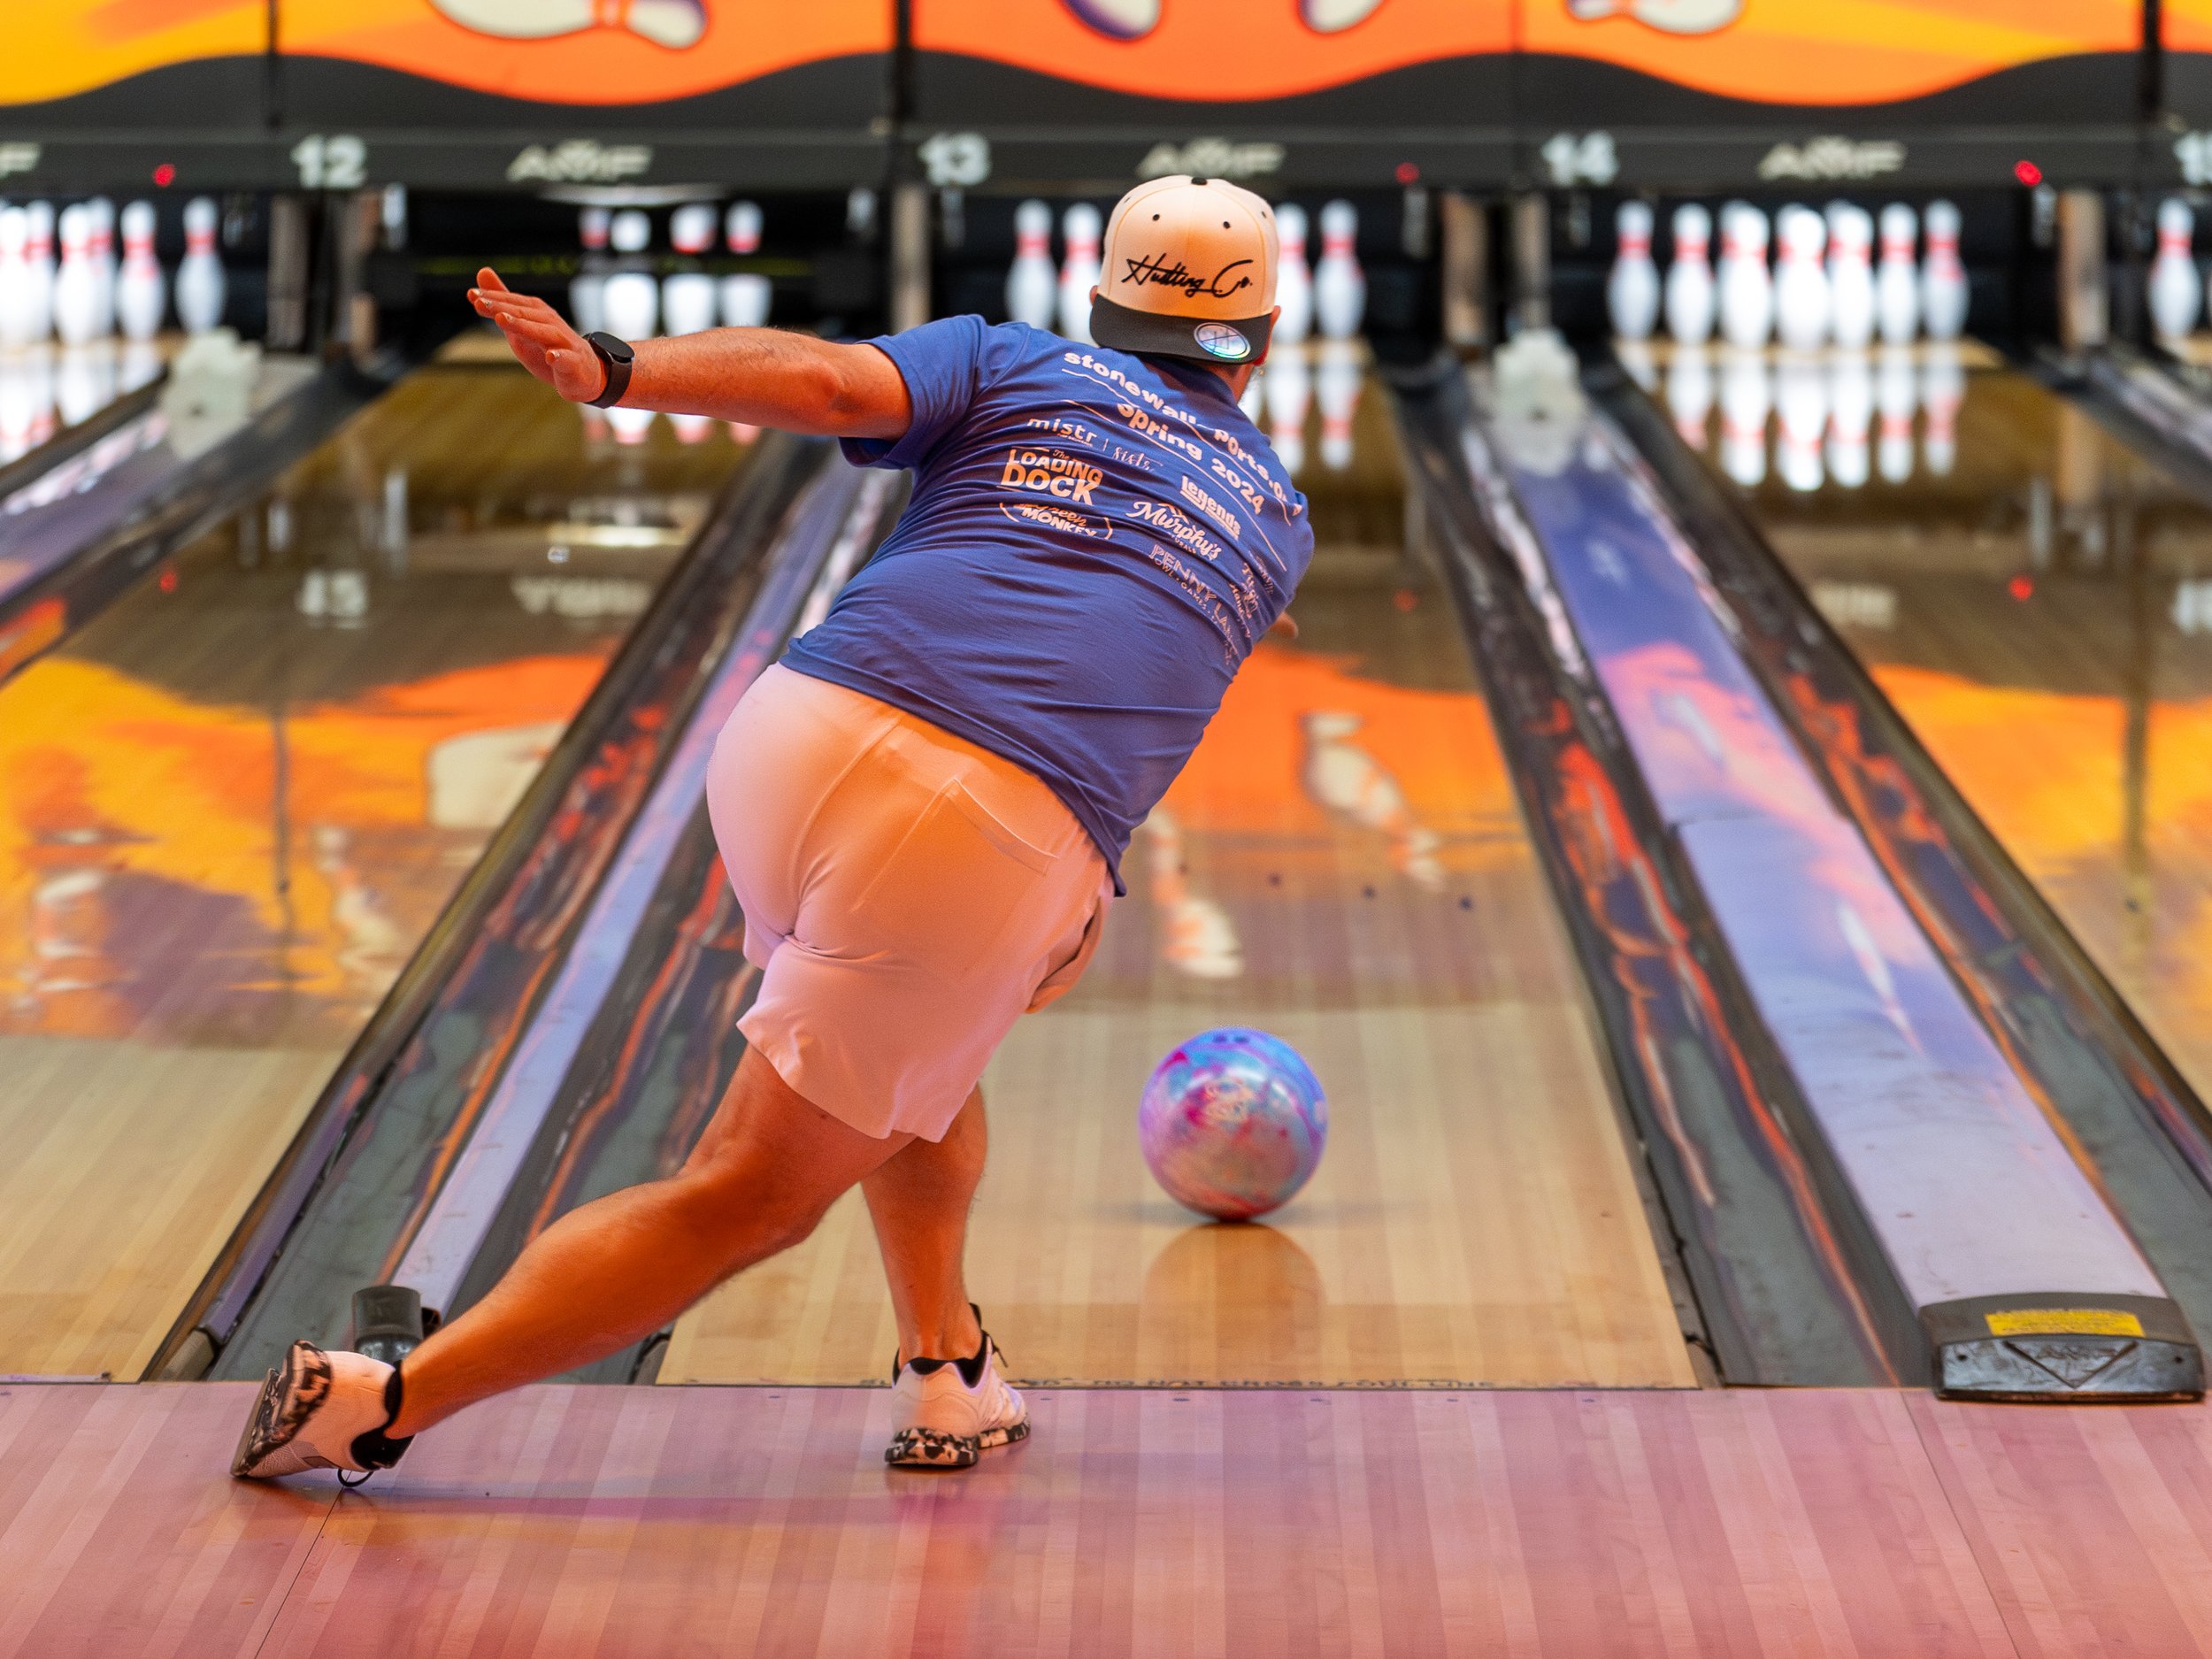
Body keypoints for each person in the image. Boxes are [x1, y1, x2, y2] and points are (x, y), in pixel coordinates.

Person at [233, 174, 1311, 1479]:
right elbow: (1136, 678)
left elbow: (829, 385)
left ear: (1097, 302)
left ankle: (947, 1366)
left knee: (922, 1057)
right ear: (1261, 337)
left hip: (795, 731)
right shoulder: (1273, 515)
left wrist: (613, 368)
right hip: (977, 826)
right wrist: (1067, 894)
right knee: (749, 1193)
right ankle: (381, 1404)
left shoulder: (1016, 361)